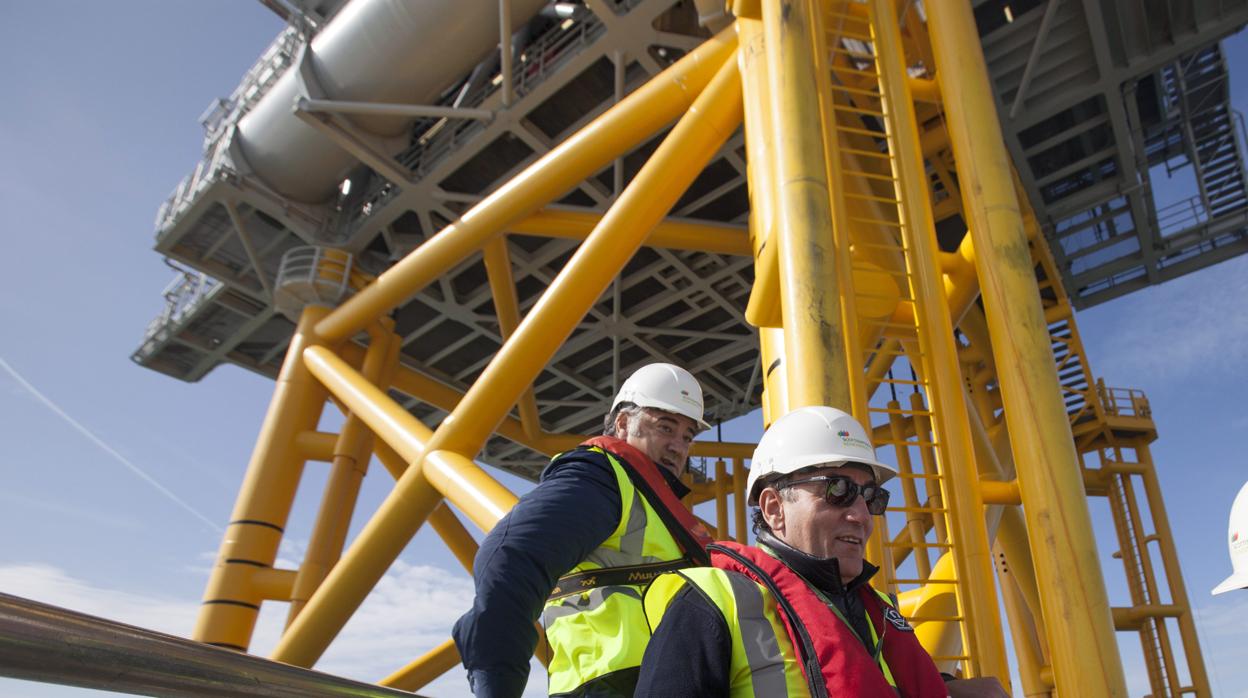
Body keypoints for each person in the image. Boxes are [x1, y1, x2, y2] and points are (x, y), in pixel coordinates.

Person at [637, 405, 1007, 697]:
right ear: (773, 508)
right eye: (837, 490)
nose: (861, 515)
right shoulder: (710, 605)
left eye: (871, 497)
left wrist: (948, 689)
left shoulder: (876, 615)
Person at [453, 363, 715, 697]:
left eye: (687, 436)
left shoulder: (651, 506)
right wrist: (497, 684)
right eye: (665, 427)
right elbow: (510, 556)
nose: (679, 446)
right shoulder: (602, 478)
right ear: (622, 424)